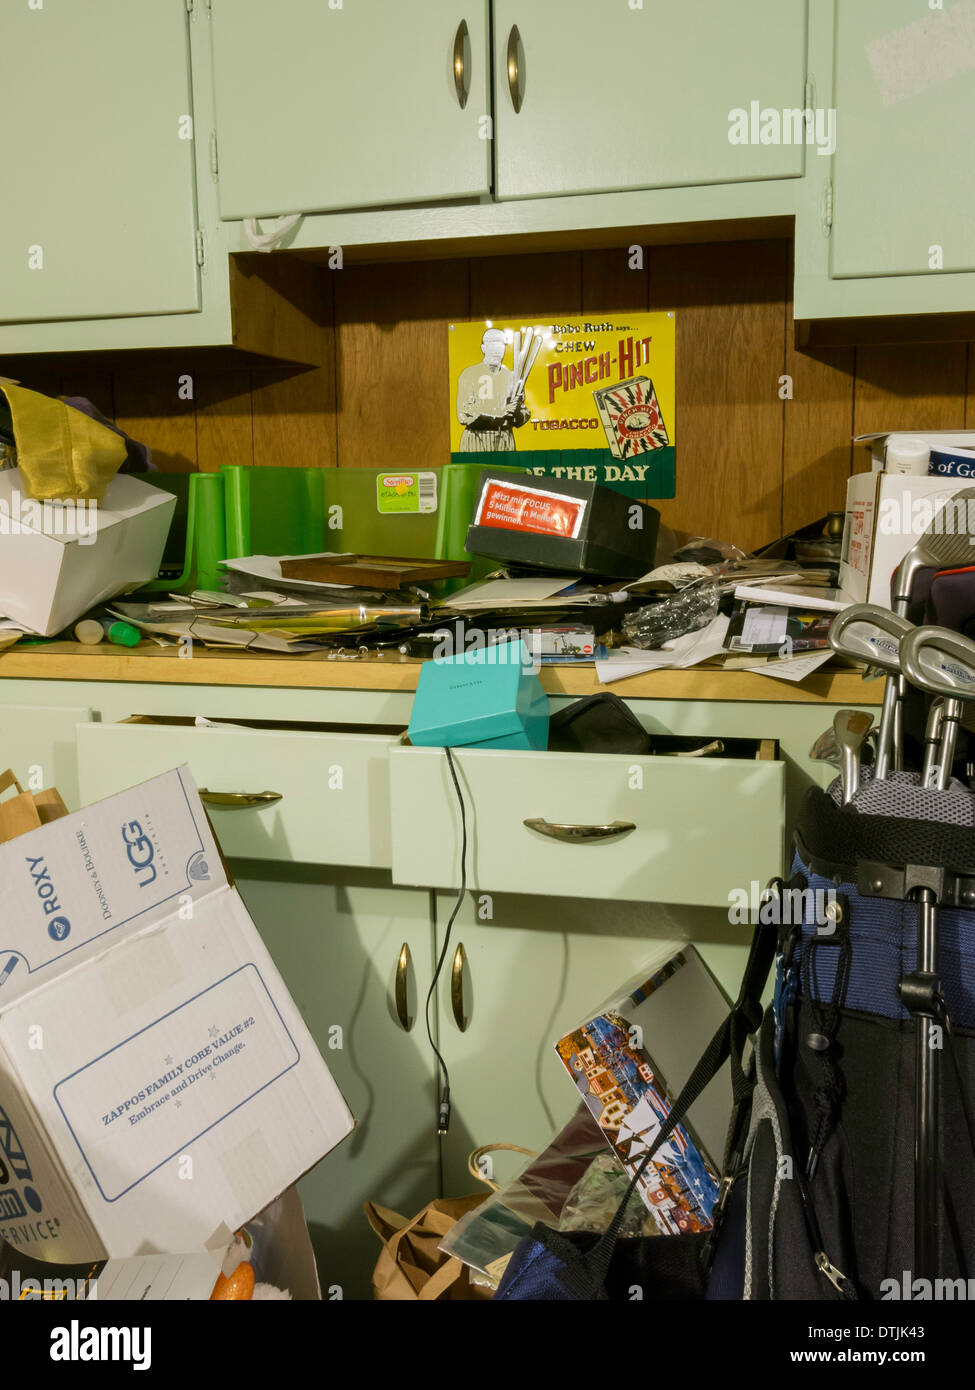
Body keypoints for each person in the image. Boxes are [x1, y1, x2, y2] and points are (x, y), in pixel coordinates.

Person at [455, 328, 530, 452]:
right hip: (477, 438)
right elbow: (464, 414)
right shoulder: (470, 374)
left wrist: (516, 411)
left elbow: (520, 417)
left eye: (500, 347)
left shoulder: (512, 377)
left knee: (506, 472)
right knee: (476, 471)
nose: (496, 352)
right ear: (483, 348)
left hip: (505, 439)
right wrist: (501, 415)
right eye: (492, 347)